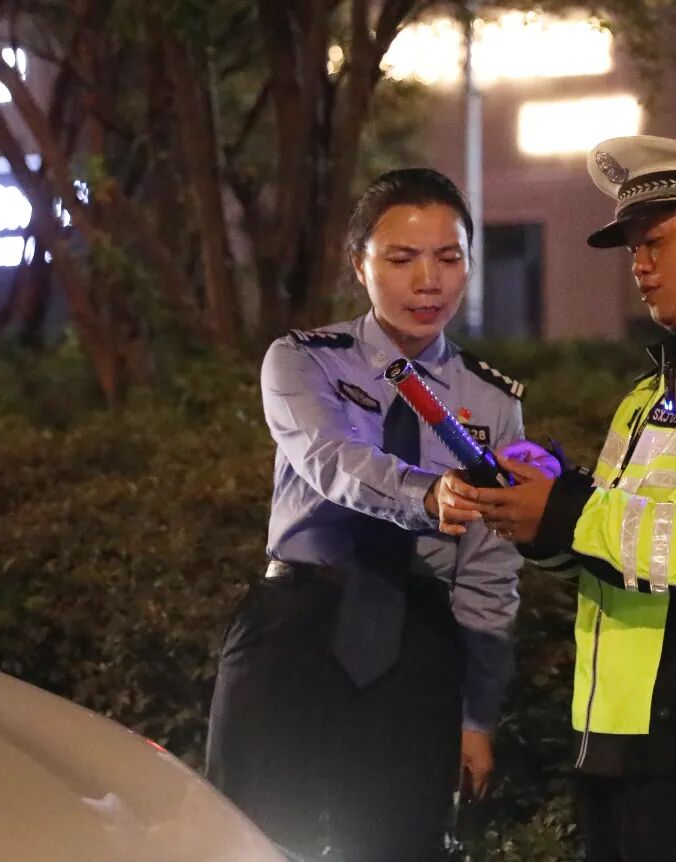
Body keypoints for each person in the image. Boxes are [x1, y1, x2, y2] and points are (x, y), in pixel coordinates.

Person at [437, 136, 676, 862]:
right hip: (628, 746)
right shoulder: (657, 389)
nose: (639, 265)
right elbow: (619, 548)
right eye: (632, 250)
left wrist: (567, 509)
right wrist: (540, 506)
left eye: (656, 241)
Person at [206, 168, 525, 861]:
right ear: (360, 264)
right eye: (402, 259)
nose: (429, 282)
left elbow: (489, 570)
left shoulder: (493, 402)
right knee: (252, 840)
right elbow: (331, 458)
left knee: (396, 846)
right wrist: (426, 494)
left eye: (449, 258)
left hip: (419, 641)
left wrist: (477, 714)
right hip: (296, 626)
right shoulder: (304, 362)